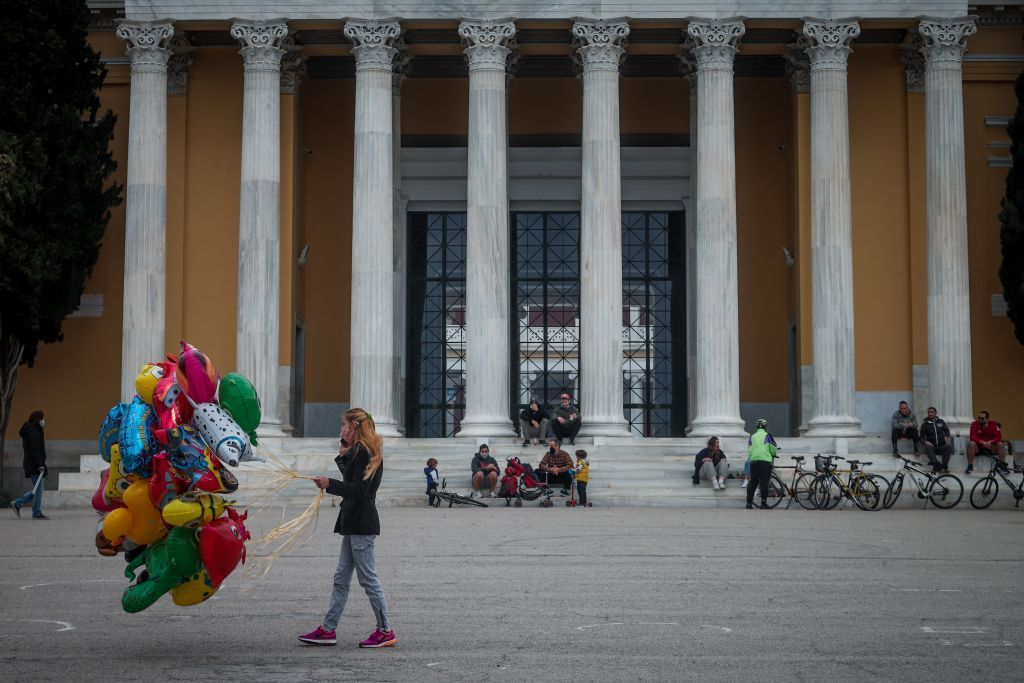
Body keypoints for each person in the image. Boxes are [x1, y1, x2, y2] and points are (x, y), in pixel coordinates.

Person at [301, 408, 395, 648]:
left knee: (368, 579)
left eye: (344, 425)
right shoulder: (360, 451)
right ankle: (328, 630)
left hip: (362, 523)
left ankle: (385, 630)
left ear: (354, 427)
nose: (341, 430)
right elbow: (354, 481)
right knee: (341, 578)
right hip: (354, 522)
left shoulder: (365, 452)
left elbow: (361, 490)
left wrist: (329, 484)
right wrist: (343, 456)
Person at [11, 411, 48, 520]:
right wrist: (40, 464)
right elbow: (34, 450)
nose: (43, 421)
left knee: (37, 489)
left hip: (31, 463)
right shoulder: (34, 432)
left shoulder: (30, 430)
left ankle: (18, 504)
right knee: (38, 489)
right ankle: (34, 511)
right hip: (35, 464)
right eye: (42, 418)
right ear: (38, 419)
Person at [746, 418, 777, 510]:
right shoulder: (768, 435)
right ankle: (763, 503)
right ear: (765, 427)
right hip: (765, 462)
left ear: (757, 427)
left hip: (754, 462)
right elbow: (773, 448)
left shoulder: (752, 436)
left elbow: (750, 449)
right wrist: (773, 454)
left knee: (753, 483)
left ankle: (749, 504)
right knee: (764, 483)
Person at [920, 406, 953, 474]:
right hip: (932, 447)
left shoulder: (941, 422)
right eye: (929, 412)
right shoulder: (925, 424)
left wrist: (947, 436)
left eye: (932, 412)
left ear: (935, 413)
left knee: (949, 447)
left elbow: (947, 431)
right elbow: (921, 438)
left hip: (941, 446)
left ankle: (944, 467)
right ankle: (937, 466)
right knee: (928, 448)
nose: (930, 413)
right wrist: (925, 442)